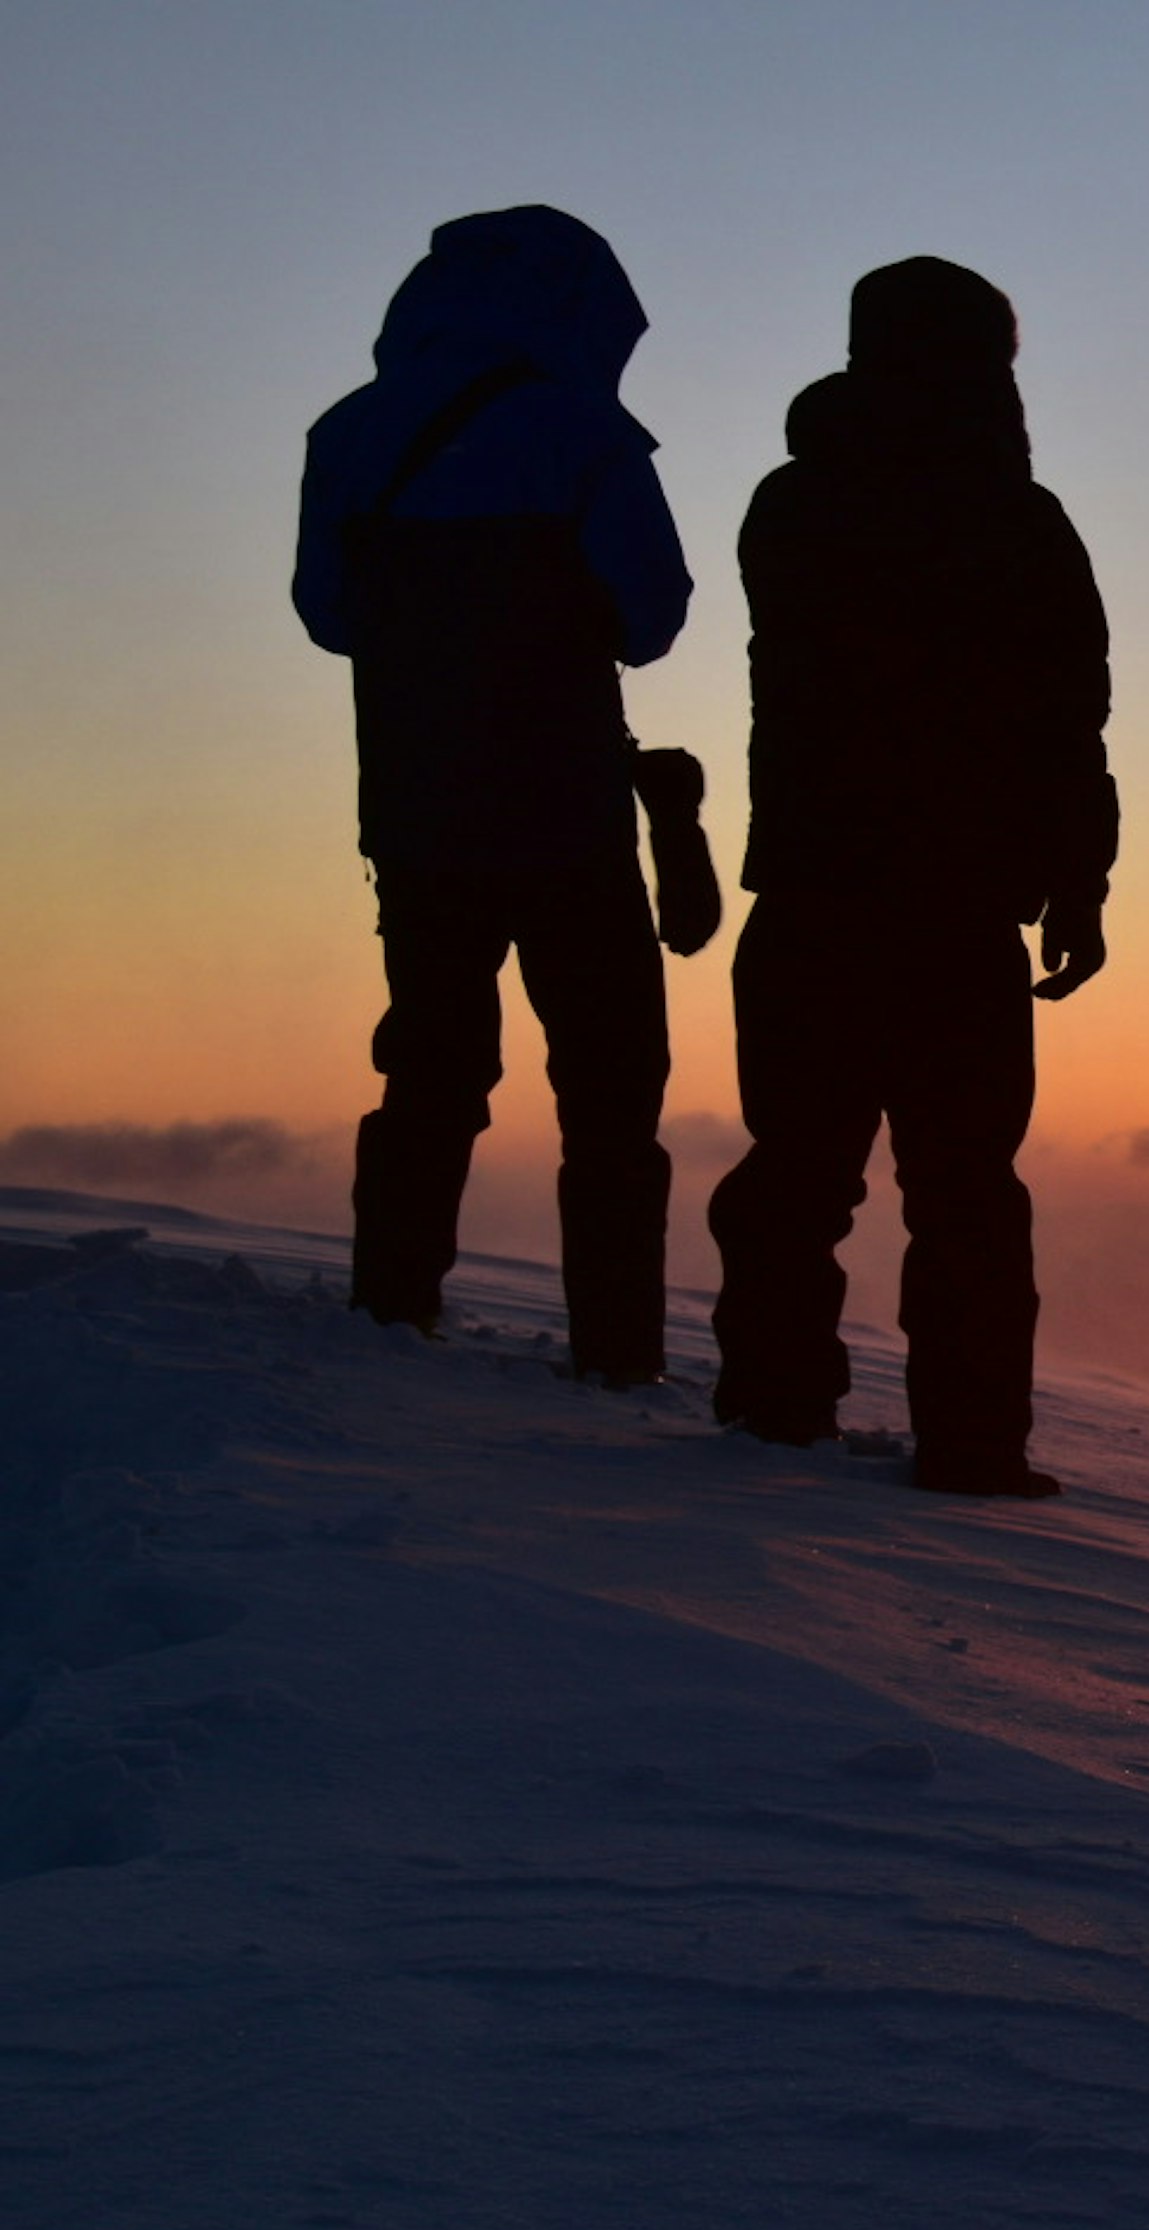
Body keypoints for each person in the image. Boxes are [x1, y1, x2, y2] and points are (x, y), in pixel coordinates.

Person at [706, 257, 1115, 1498]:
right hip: (957, 910)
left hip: (815, 896)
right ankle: (975, 1443)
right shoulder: (1018, 522)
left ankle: (775, 1416)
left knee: (797, 1168)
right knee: (967, 1190)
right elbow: (1069, 722)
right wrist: (1079, 885)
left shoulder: (792, 503)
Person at [292, 204, 706, 1386]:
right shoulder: (584, 433)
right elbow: (652, 618)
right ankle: (619, 1356)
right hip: (567, 808)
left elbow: (330, 618)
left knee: (429, 1065)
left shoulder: (349, 434)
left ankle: (390, 1311)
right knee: (612, 1091)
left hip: (418, 810)